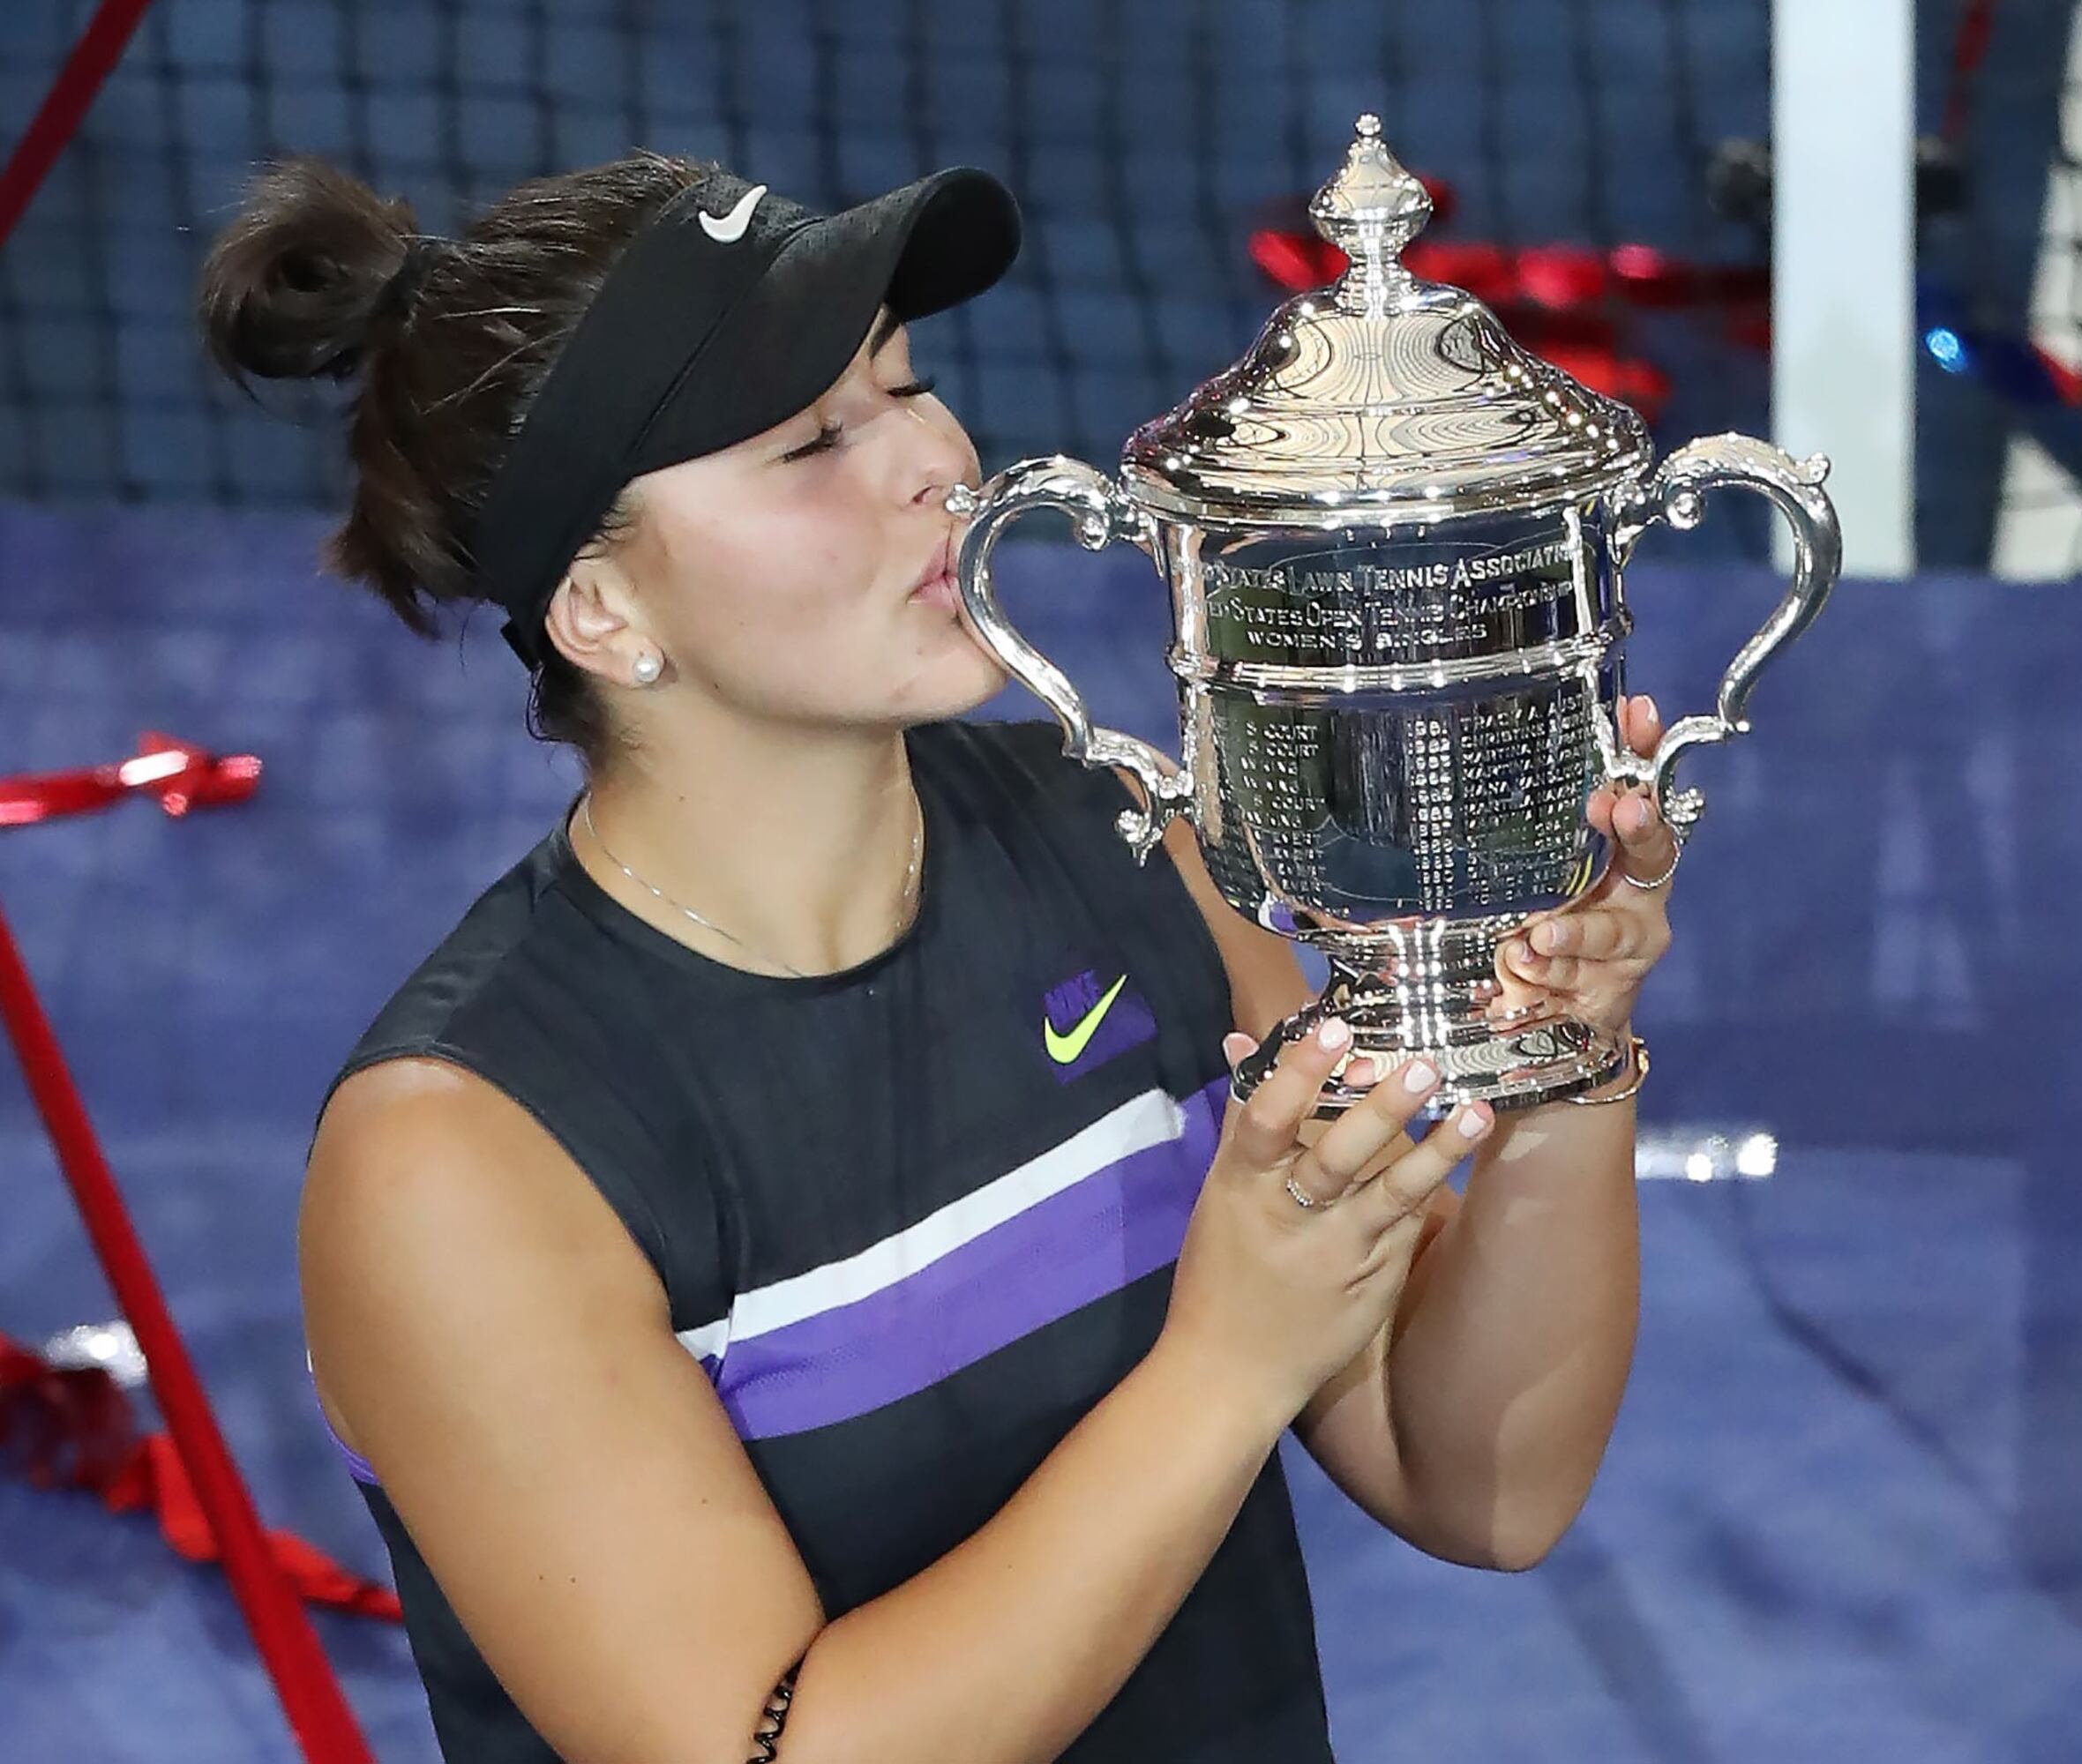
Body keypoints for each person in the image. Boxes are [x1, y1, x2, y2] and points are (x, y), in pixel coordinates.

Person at [197, 149, 1682, 1764]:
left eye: (908, 385)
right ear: (608, 609)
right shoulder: (462, 1155)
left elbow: (1482, 1482)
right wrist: (1223, 1370)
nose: (935, 462)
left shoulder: (1130, 848)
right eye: (813, 440)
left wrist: (1562, 1058)